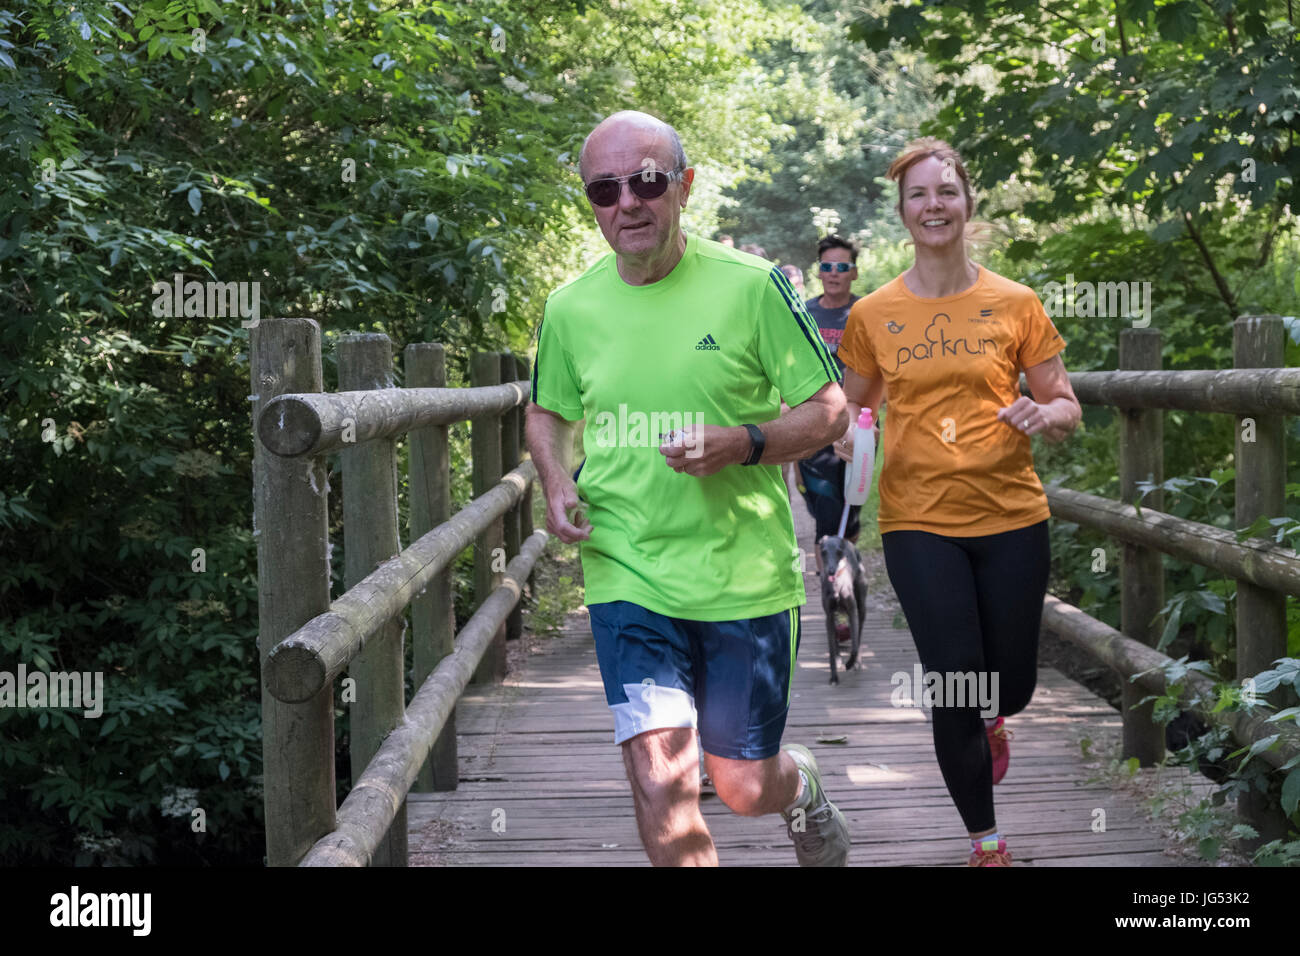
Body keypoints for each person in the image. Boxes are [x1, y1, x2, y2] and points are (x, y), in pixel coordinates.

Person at [526, 110, 852, 866]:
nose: (627, 203)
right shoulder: (572, 306)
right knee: (662, 783)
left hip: (743, 577)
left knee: (740, 785)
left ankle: (799, 786)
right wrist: (553, 478)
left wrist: (746, 443)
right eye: (604, 190)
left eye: (645, 181)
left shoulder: (754, 287)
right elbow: (548, 410)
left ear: (684, 186)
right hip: (627, 569)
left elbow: (830, 410)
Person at [835, 137, 1081, 867]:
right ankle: (987, 842)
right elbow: (849, 407)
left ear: (968, 202)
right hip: (917, 522)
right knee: (953, 680)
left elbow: (1065, 401)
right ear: (902, 211)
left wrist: (1046, 414)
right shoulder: (875, 314)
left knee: (1012, 683)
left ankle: (997, 714)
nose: (933, 205)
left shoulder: (1015, 303)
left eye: (946, 191)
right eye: (918, 194)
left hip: (1012, 515)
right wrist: (848, 436)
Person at [796, 236, 864, 586]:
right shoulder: (805, 313)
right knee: (825, 511)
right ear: (818, 272)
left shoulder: (867, 312)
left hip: (859, 427)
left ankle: (847, 578)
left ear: (854, 272)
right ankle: (831, 588)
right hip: (816, 425)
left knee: (850, 517)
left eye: (841, 267)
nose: (833, 273)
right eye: (826, 267)